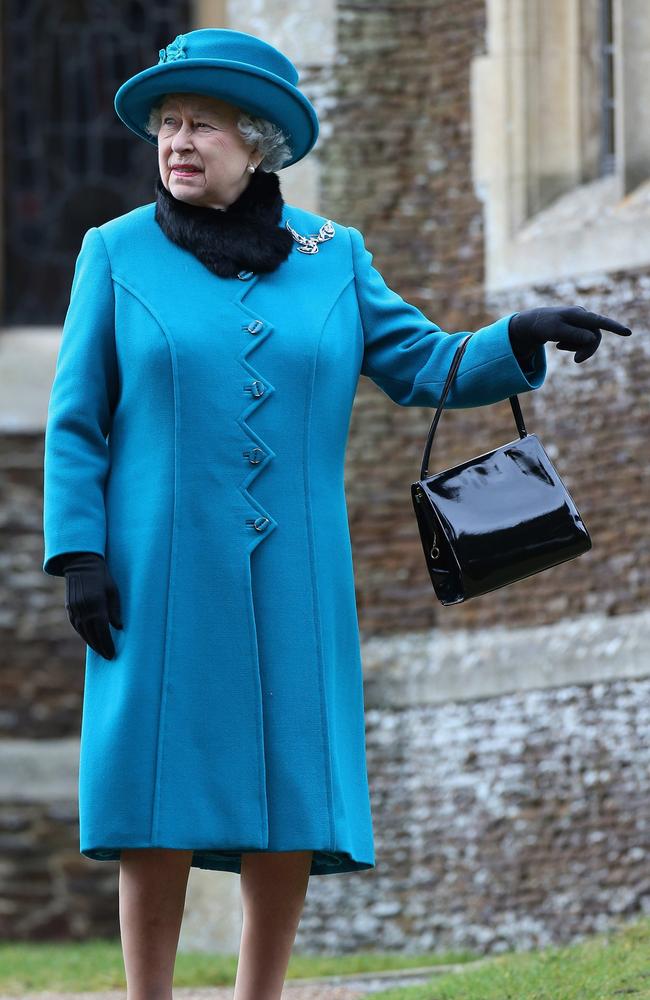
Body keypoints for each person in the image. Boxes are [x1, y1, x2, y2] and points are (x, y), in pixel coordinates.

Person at [41, 26, 632, 1000]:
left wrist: (513, 337)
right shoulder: (114, 254)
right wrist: (79, 555)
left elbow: (426, 364)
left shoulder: (332, 257)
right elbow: (74, 423)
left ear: (258, 140)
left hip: (297, 574)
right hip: (156, 566)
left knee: (291, 788)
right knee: (157, 792)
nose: (177, 143)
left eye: (202, 126)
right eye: (167, 126)